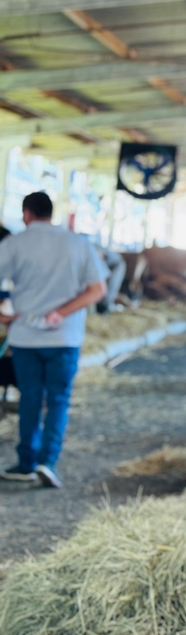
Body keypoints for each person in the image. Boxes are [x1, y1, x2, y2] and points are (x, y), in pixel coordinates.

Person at [0, 192, 107, 488]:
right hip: (65, 337)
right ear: (51, 213)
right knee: (58, 400)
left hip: (25, 338)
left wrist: (3, 316)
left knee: (30, 399)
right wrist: (61, 313)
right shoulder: (77, 243)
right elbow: (97, 290)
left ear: (27, 214)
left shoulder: (15, 243)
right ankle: (48, 463)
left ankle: (26, 463)